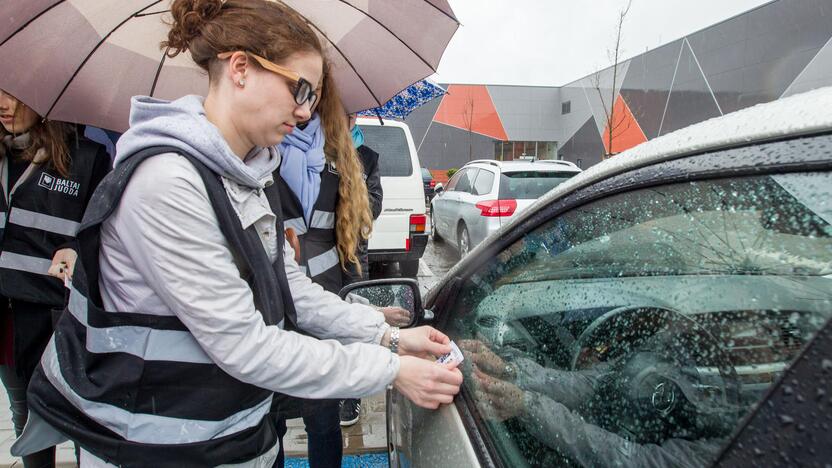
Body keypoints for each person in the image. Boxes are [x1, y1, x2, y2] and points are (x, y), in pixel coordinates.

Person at [15, 1, 462, 467]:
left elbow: (290, 288)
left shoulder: (247, 174)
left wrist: (387, 337)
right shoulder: (169, 182)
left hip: (229, 436)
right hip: (159, 448)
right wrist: (391, 370)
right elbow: (245, 346)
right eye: (300, 88)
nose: (306, 112)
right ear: (241, 68)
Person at [0, 89, 110, 467]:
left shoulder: (88, 159)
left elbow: (104, 234)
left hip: (64, 318)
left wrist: (77, 251)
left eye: (13, 94)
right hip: (12, 321)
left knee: (82, 419)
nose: (3, 104)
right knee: (27, 417)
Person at [272, 70, 377, 466]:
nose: (303, 107)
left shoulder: (339, 157)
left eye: (312, 97)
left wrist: (357, 300)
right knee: (271, 417)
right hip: (272, 305)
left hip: (326, 300)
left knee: (322, 416)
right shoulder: (260, 149)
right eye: (298, 94)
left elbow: (351, 239)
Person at [340, 113, 386, 427]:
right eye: (344, 112)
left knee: (355, 318)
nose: (349, 117)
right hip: (322, 250)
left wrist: (351, 188)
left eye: (354, 113)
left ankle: (350, 398)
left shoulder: (368, 157)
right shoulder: (320, 151)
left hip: (354, 251)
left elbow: (376, 204)